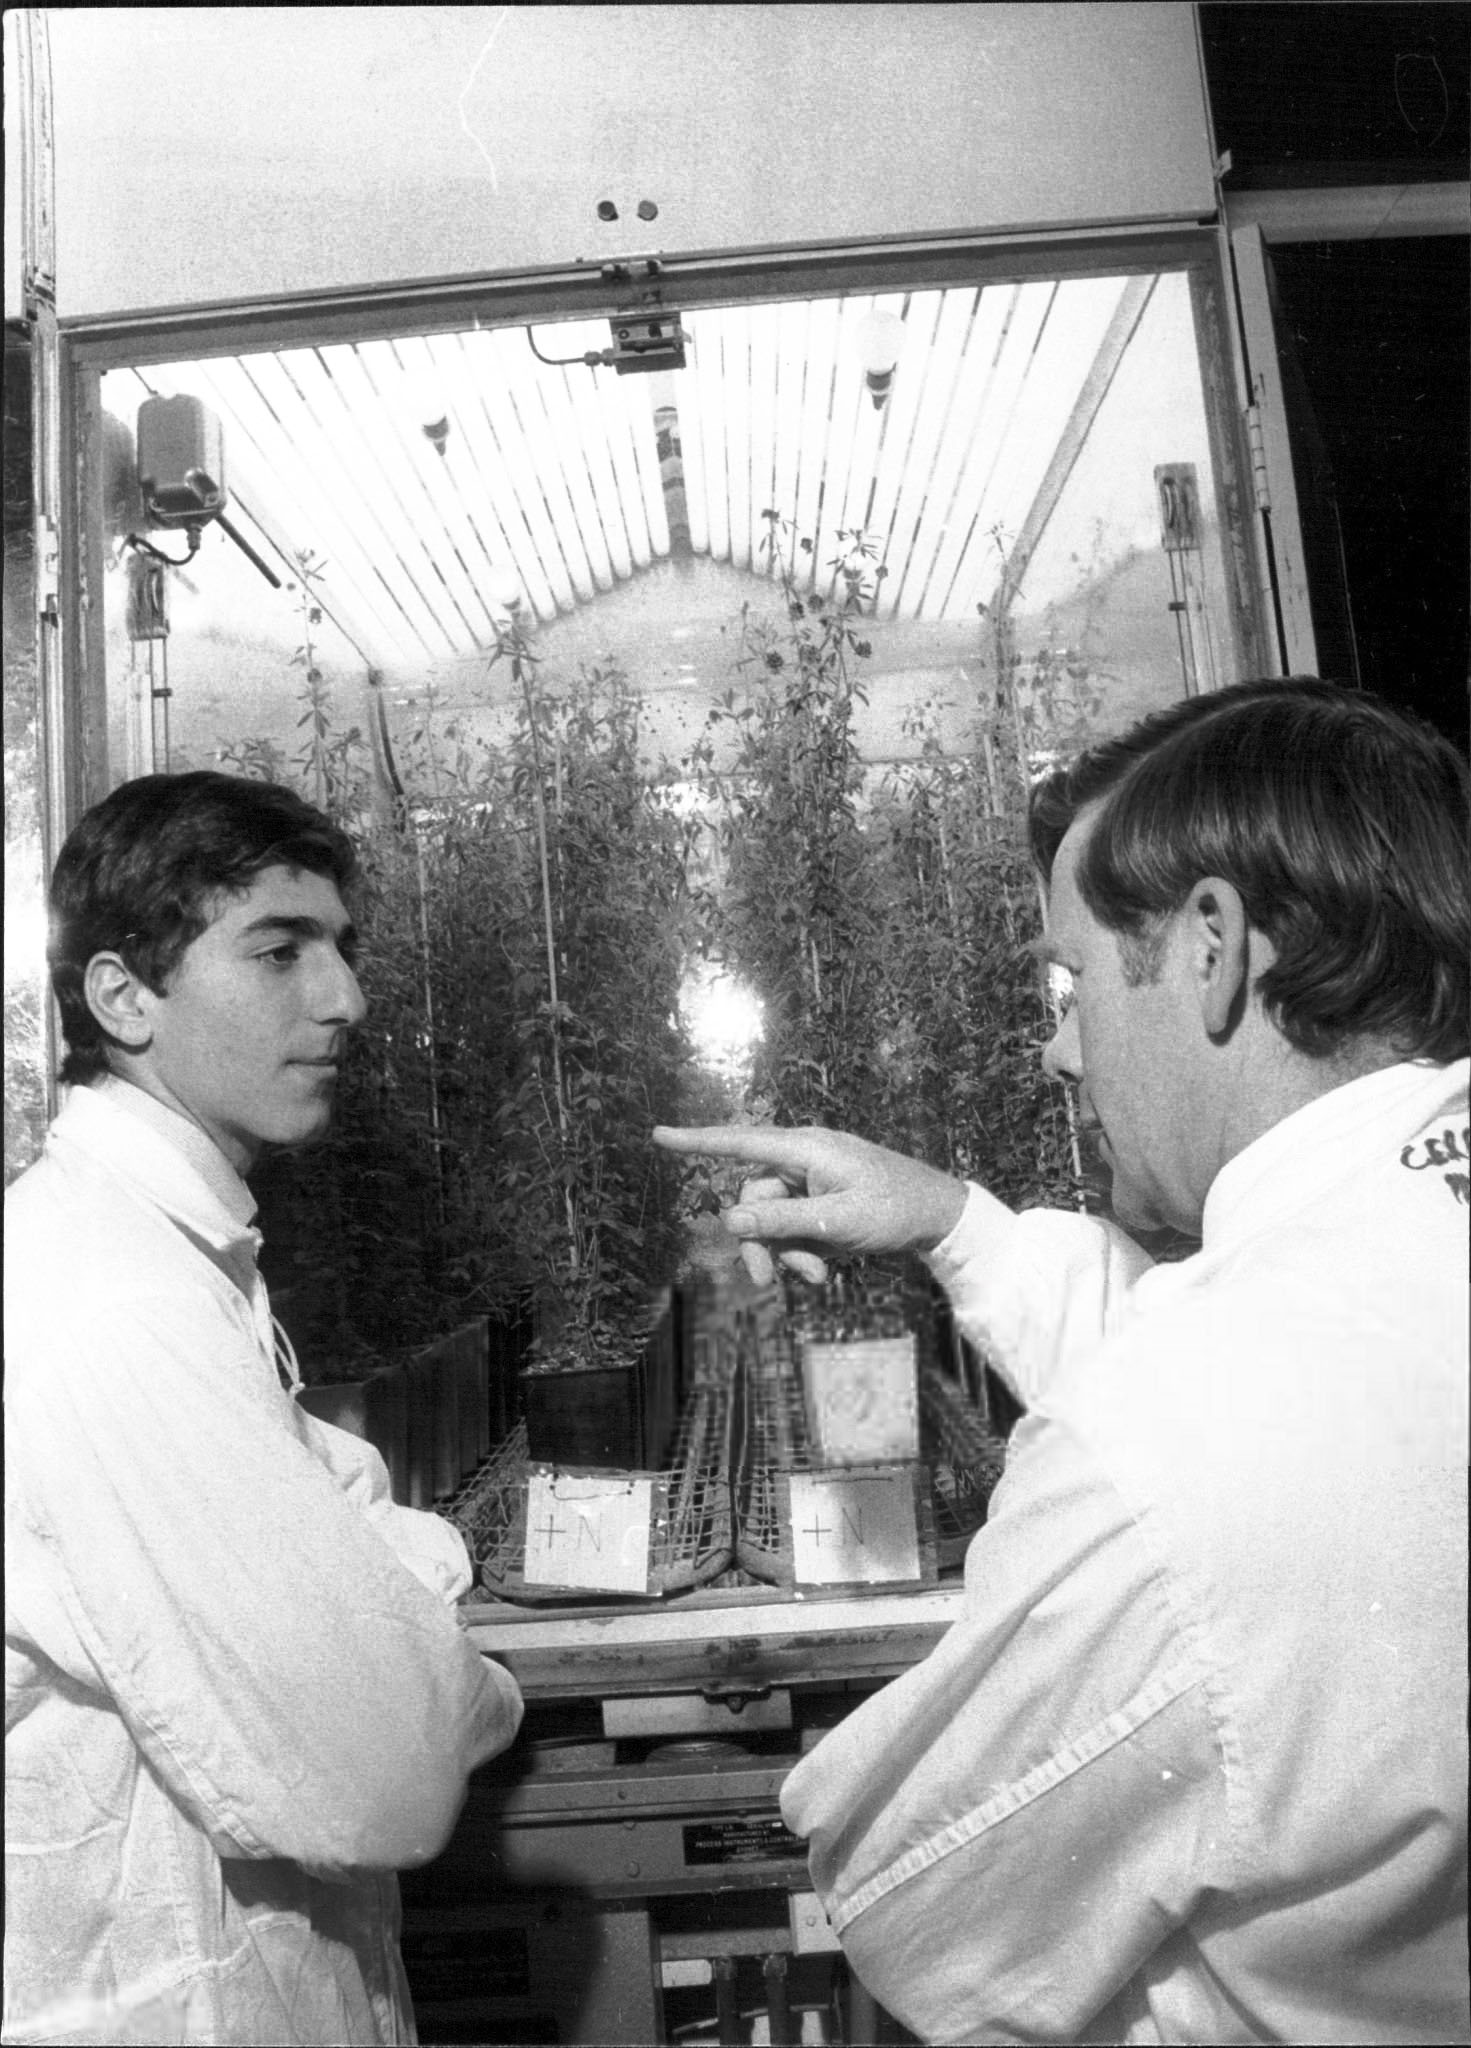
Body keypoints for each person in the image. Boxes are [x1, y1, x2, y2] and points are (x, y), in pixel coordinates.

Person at [655, 678, 1470, 2046]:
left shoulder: (1169, 1442)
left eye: (1071, 981)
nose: (1056, 1048)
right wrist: (951, 1220)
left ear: (1210, 948)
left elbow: (914, 1899)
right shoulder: (1362, 1288)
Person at [5, 771, 523, 2047]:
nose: (344, 997)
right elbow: (384, 1771)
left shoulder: (165, 1249)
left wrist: (371, 1582)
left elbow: (334, 1509)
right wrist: (469, 1683)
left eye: (342, 947)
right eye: (280, 950)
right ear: (123, 995)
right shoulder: (112, 1295)